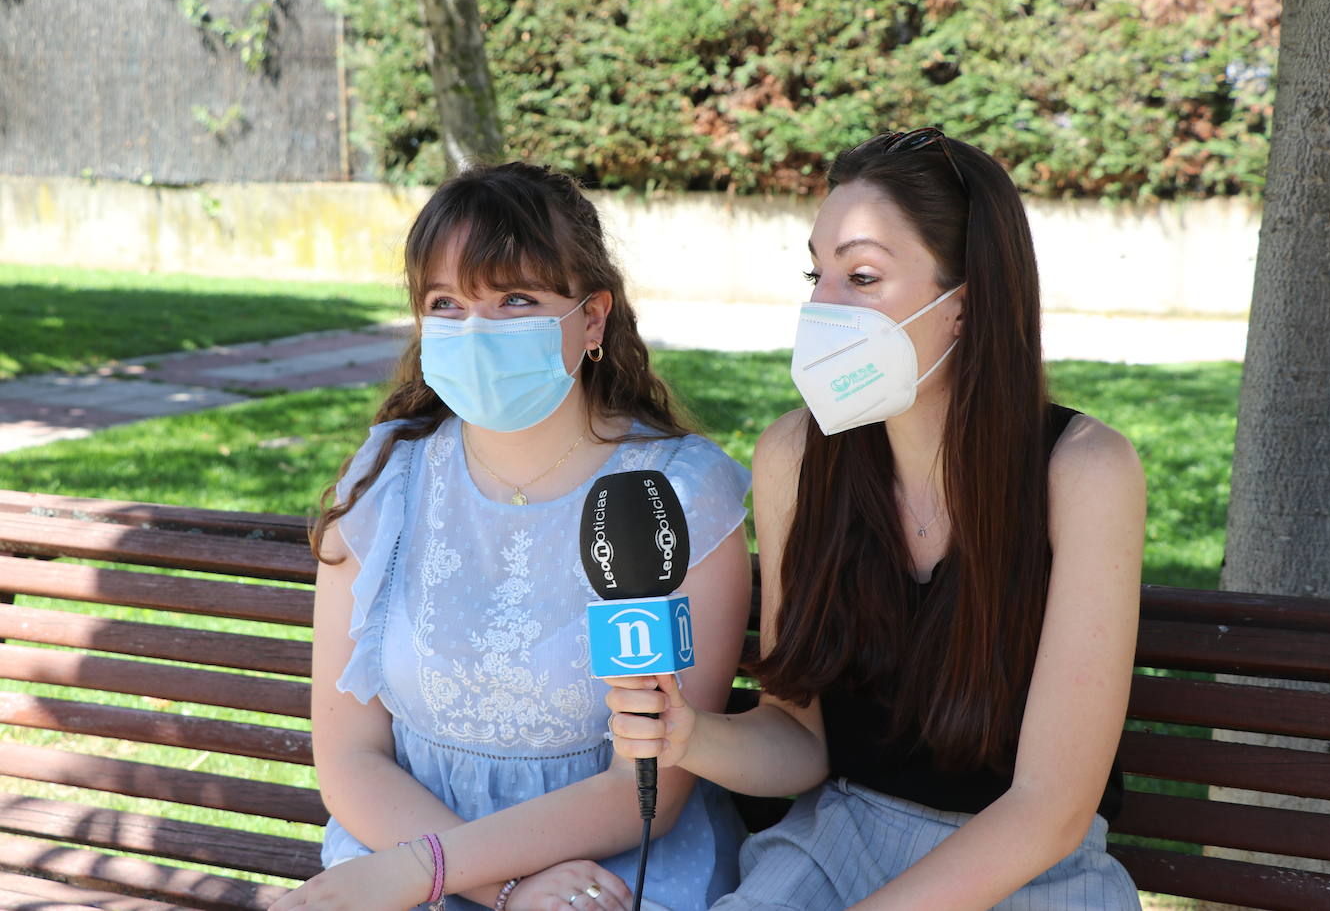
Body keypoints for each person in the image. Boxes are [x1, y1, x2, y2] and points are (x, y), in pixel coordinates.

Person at [605, 129, 1146, 910]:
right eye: (815, 274)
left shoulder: (1086, 472)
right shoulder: (793, 457)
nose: (822, 307)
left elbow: (1049, 811)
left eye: (861, 276)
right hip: (833, 844)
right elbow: (798, 738)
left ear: (967, 305)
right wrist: (689, 734)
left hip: (1027, 870)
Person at [270, 162, 751, 911]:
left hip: (608, 875)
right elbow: (349, 753)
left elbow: (650, 783)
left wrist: (481, 881)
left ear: (593, 318)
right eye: (446, 303)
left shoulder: (674, 495)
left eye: (515, 299)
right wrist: (502, 886)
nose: (475, 328)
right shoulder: (390, 476)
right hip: (400, 860)